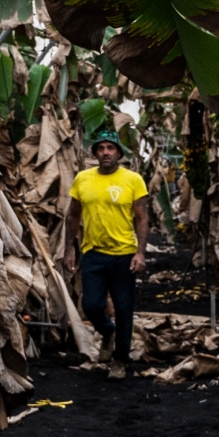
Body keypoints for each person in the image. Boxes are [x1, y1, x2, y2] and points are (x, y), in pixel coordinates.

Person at [64, 128, 150, 380]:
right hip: (92, 253)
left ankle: (120, 360)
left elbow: (143, 218)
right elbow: (73, 215)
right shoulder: (83, 179)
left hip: (124, 254)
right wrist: (69, 248)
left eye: (110, 148)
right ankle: (107, 331)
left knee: (124, 307)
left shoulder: (133, 180)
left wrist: (140, 253)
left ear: (119, 153)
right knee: (91, 305)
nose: (105, 152)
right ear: (95, 153)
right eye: (100, 148)